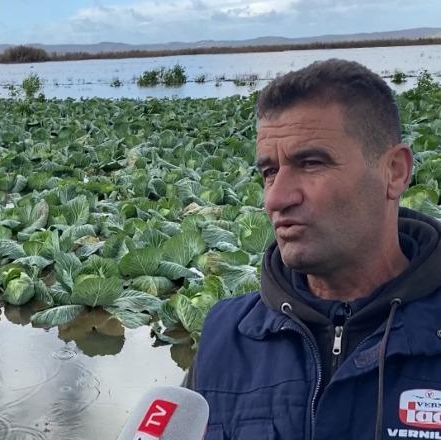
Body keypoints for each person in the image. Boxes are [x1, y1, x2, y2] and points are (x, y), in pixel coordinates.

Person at [189, 59, 441, 440]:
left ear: (394, 172)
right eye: (269, 171)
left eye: (310, 163)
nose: (276, 198)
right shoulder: (224, 337)